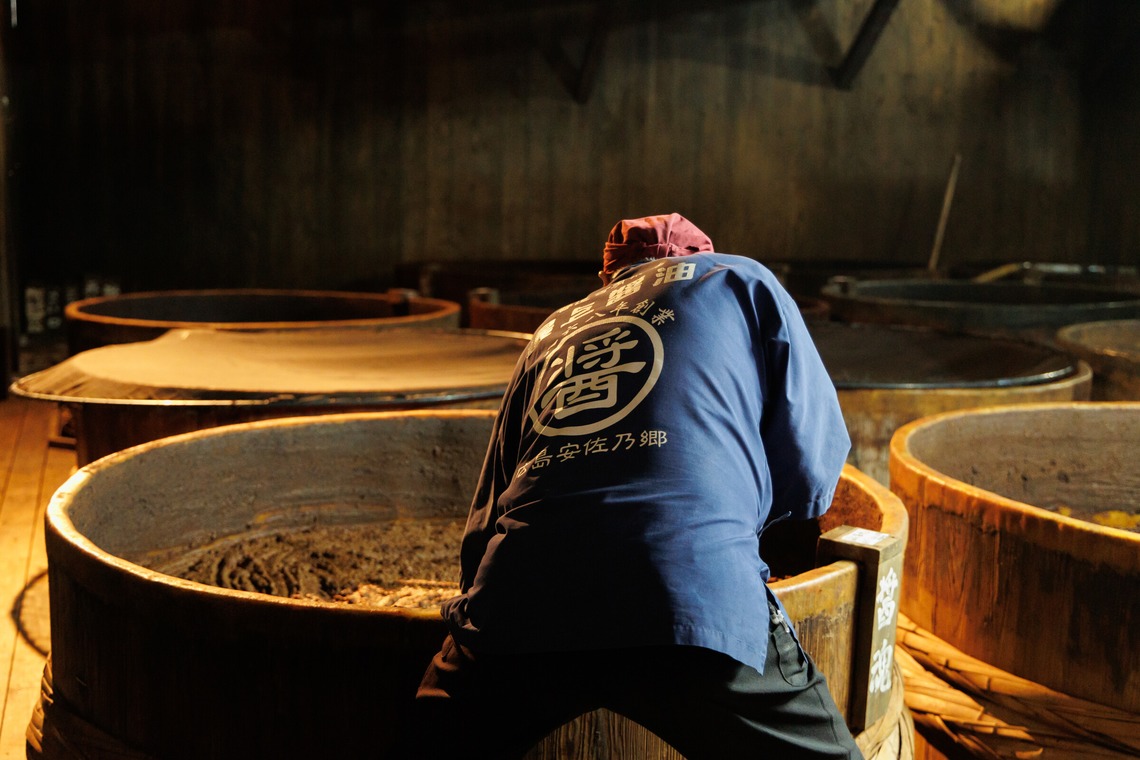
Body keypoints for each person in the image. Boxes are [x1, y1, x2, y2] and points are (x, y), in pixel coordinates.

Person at [408, 213, 862, 759]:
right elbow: (812, 465)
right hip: (690, 590)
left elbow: (487, 513)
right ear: (697, 256)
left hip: (522, 599)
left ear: (610, 280)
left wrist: (481, 614)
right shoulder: (741, 280)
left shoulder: (553, 329)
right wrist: (756, 535)